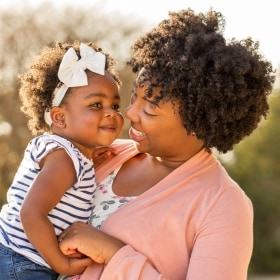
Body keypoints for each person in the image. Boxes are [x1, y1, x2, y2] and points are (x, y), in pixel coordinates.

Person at [57, 8, 275, 280]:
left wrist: (115, 255)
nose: (132, 114)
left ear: (198, 121)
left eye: (150, 110)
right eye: (134, 97)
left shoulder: (223, 204)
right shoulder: (105, 155)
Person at [0, 41, 124, 279]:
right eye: (96, 104)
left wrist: (88, 161)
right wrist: (61, 265)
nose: (110, 112)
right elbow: (32, 213)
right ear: (59, 117)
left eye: (115, 105)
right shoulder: (64, 160)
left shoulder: (69, 156)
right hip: (22, 261)